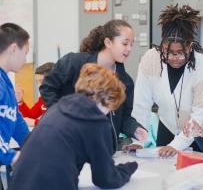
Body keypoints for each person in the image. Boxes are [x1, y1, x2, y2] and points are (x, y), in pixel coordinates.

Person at [8, 63, 138, 190]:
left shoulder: (58, 107)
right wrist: (130, 167)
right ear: (109, 100)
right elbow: (106, 179)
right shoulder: (97, 121)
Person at [39, 20, 147, 146]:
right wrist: (61, 117)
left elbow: (124, 118)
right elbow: (48, 87)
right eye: (125, 43)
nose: (129, 49)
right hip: (67, 141)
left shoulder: (125, 82)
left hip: (102, 147)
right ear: (108, 42)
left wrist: (135, 129)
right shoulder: (74, 63)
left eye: (131, 44)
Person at [132, 5, 203, 157]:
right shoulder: (150, 59)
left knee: (199, 175)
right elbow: (141, 104)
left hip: (200, 131)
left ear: (190, 48)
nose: (173, 58)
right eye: (168, 52)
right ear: (162, 45)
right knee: (162, 171)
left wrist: (176, 145)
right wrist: (138, 140)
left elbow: (201, 113)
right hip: (168, 125)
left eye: (179, 53)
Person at [0, 23, 29, 166]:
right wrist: (11, 156)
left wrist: (36, 147)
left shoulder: (6, 82)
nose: (25, 60)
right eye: (25, 53)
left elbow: (17, 121)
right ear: (13, 49)